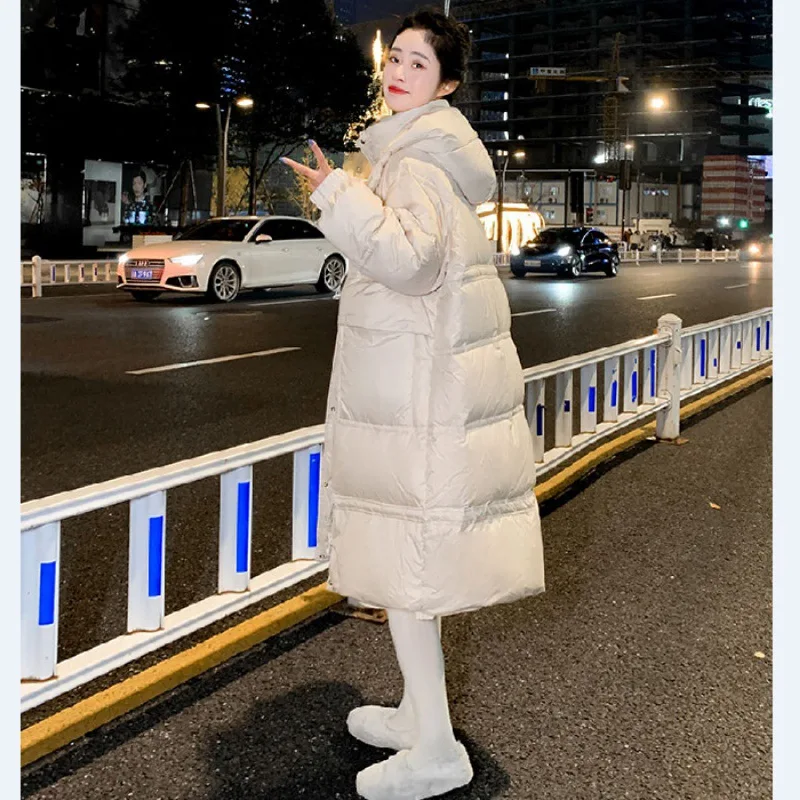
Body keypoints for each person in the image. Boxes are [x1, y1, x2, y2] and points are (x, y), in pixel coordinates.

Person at [282, 8, 544, 800]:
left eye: (419, 65)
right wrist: (351, 193)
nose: (398, 72)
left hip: (421, 398)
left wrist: (339, 196)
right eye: (395, 58)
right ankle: (416, 717)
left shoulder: (417, 161)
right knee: (408, 575)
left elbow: (410, 260)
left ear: (448, 84)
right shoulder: (417, 149)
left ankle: (435, 748)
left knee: (410, 573)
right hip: (421, 388)